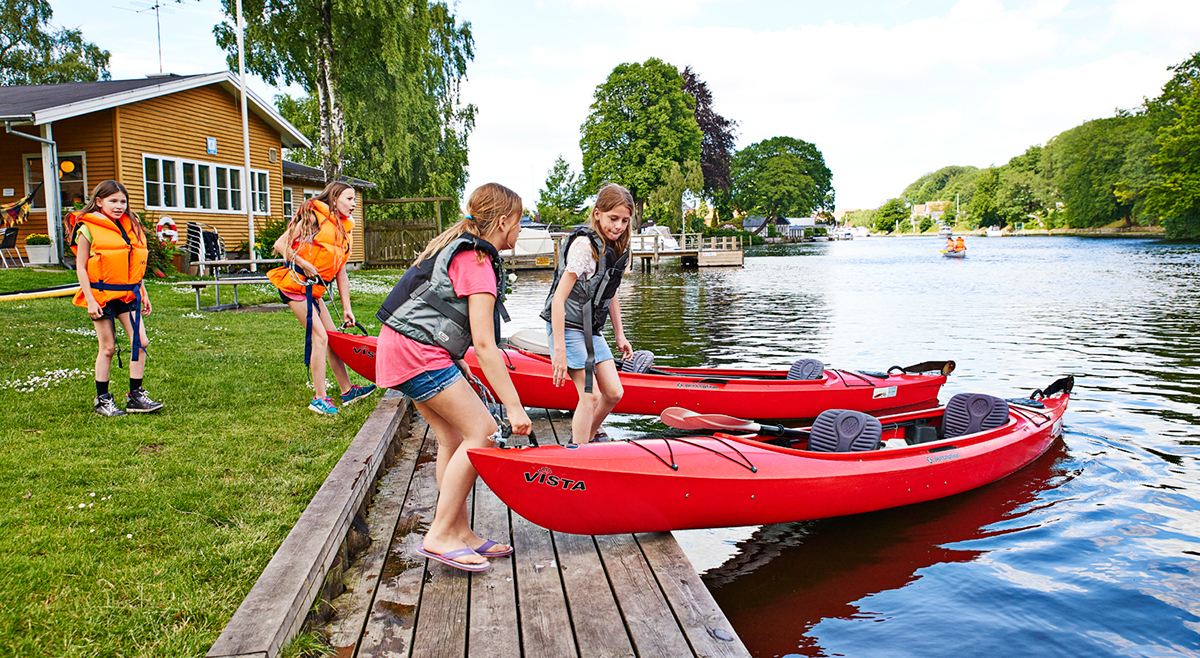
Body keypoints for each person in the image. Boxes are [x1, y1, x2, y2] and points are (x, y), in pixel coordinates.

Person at [375, 182, 531, 571]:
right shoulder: (478, 263)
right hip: (417, 352)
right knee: (485, 432)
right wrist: (514, 407)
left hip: (402, 347)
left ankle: (460, 531)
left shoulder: (464, 247)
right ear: (502, 221)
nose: (521, 230)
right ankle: (441, 534)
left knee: (452, 436)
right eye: (520, 221)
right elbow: (484, 344)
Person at [267, 181, 376, 415]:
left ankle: (347, 391)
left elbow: (341, 274)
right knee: (320, 337)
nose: (354, 204)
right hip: (295, 284)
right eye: (349, 199)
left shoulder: (344, 230)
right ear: (334, 199)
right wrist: (303, 263)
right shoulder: (314, 218)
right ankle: (319, 398)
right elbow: (280, 244)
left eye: (354, 200)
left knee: (333, 338)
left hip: (314, 291)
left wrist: (347, 308)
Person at [541, 183, 634, 444]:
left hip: (590, 330)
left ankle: (584, 441)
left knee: (614, 392)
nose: (618, 226)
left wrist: (620, 335)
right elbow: (558, 300)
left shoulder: (616, 247)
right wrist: (559, 349)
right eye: (613, 218)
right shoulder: (584, 247)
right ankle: (580, 452)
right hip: (567, 326)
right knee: (589, 395)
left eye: (625, 221)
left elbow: (610, 291)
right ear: (597, 214)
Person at [71, 180, 163, 417]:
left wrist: (144, 293)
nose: (119, 206)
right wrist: (90, 300)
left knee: (140, 342)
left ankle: (136, 396)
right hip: (101, 296)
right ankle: (102, 400)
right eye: (113, 201)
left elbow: (134, 264)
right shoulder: (87, 229)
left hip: (127, 294)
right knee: (108, 348)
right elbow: (81, 267)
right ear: (99, 202)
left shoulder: (130, 226)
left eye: (123, 201)